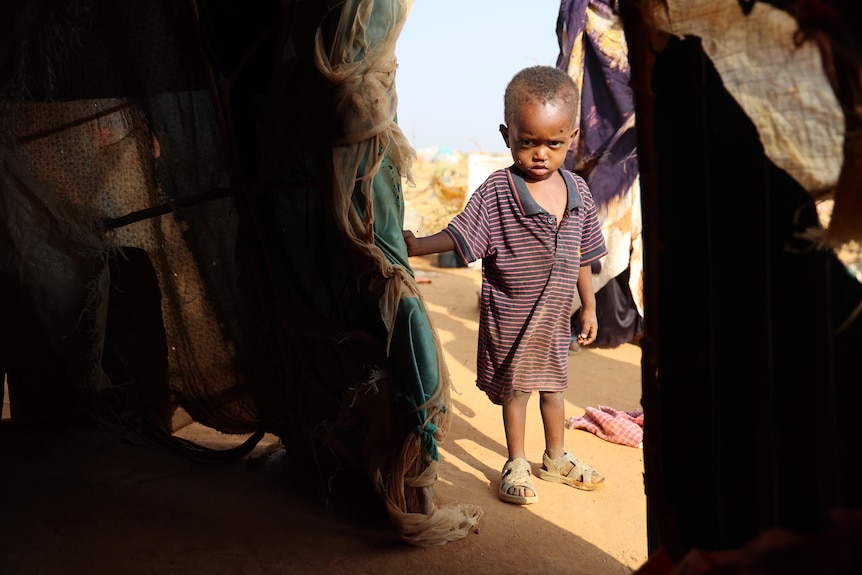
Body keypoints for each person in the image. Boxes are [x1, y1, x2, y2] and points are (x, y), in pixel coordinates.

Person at [402, 65, 607, 504]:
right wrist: (417, 245)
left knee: (555, 389)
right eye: (527, 141)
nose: (540, 154)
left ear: (571, 138)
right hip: (511, 319)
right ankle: (515, 462)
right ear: (506, 134)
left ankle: (555, 457)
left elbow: (584, 258)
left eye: (553, 143)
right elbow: (461, 236)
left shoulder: (580, 192)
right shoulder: (498, 191)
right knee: (515, 392)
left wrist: (587, 306)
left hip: (554, 318)